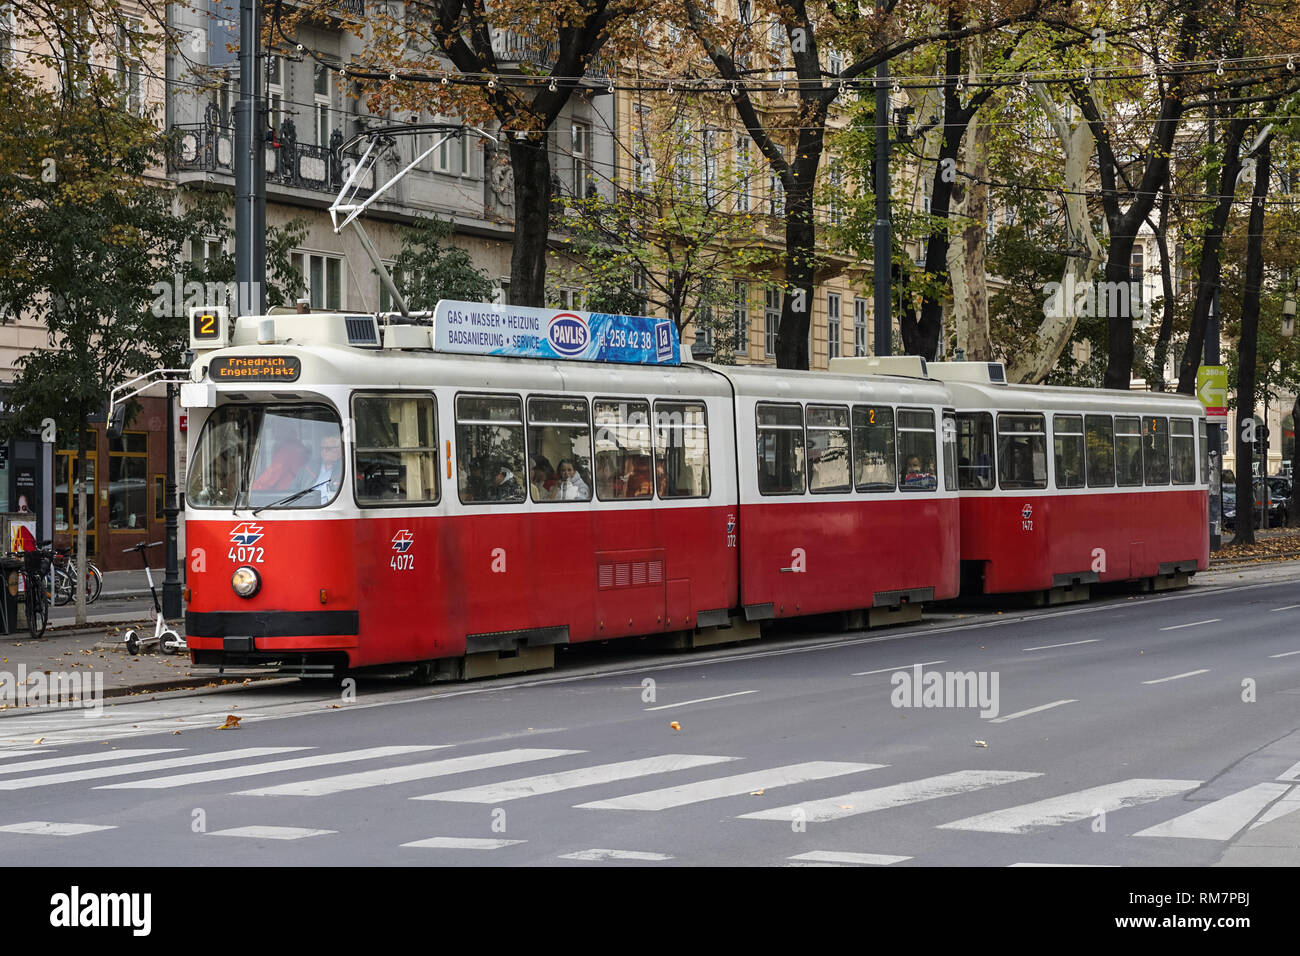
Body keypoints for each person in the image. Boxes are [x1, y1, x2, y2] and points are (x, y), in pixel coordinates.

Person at [314, 434, 343, 502]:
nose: (323, 452)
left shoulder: (345, 469)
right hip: (308, 507)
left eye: (327, 449)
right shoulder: (309, 468)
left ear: (338, 450)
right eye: (322, 448)